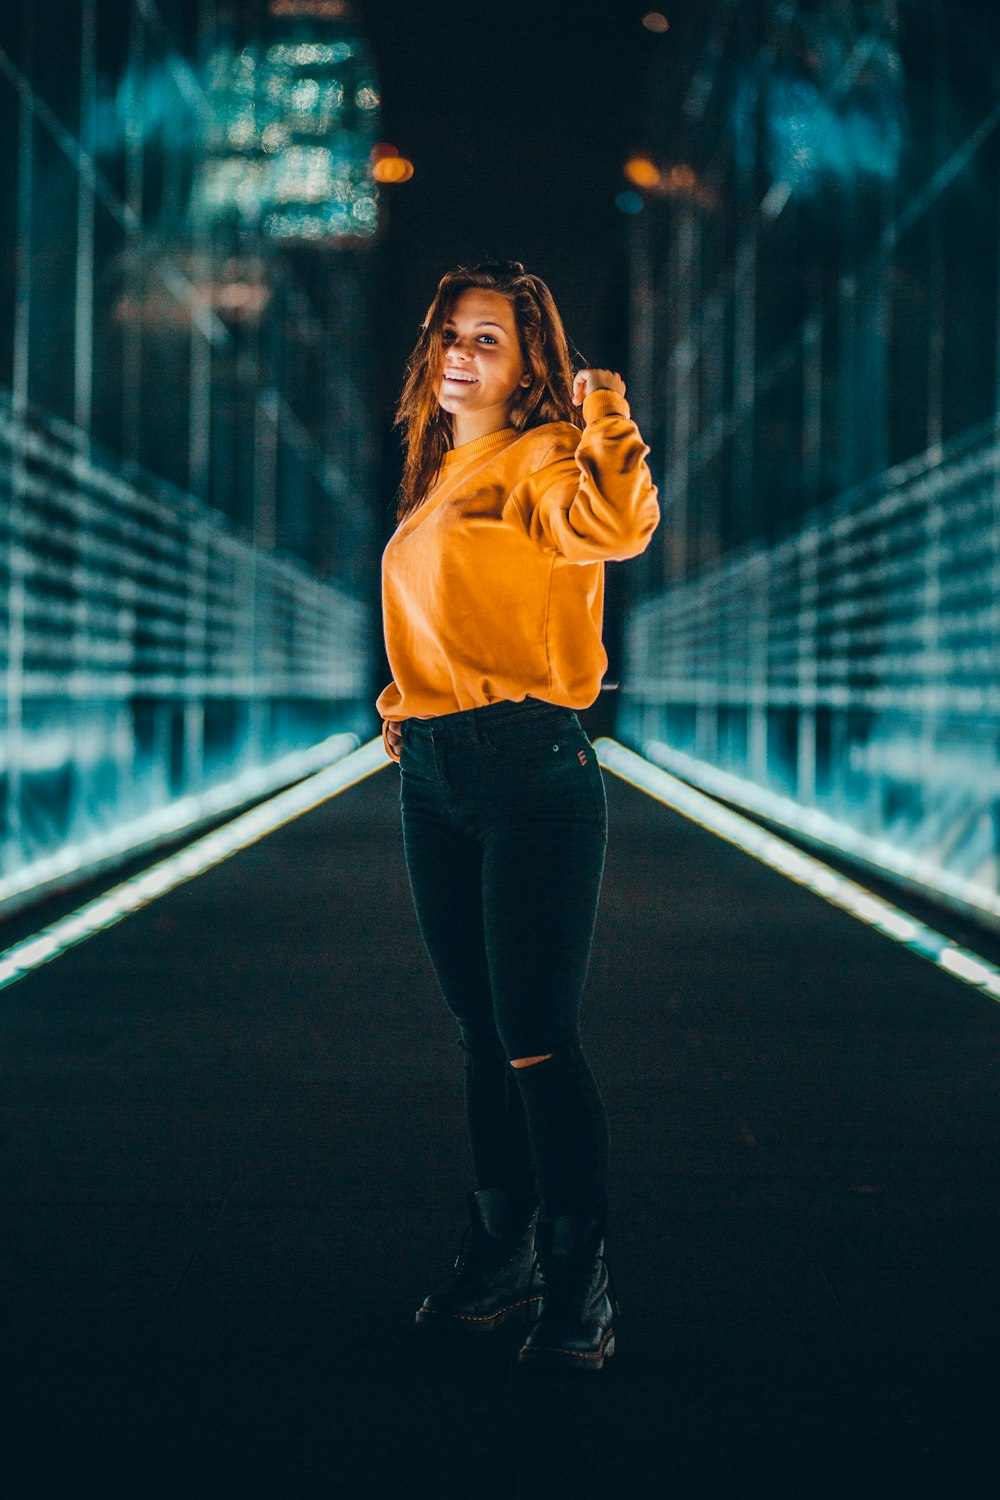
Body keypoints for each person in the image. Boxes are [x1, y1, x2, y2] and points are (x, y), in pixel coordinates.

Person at [377, 258, 659, 1374]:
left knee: (536, 1037)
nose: (460, 354)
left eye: (488, 339)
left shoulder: (544, 456)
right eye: (450, 334)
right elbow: (446, 610)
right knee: (481, 1037)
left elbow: (615, 522)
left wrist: (602, 404)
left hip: (529, 771)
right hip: (436, 772)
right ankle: (499, 1260)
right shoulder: (444, 469)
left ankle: (577, 1284)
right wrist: (406, 700)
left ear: (530, 361)